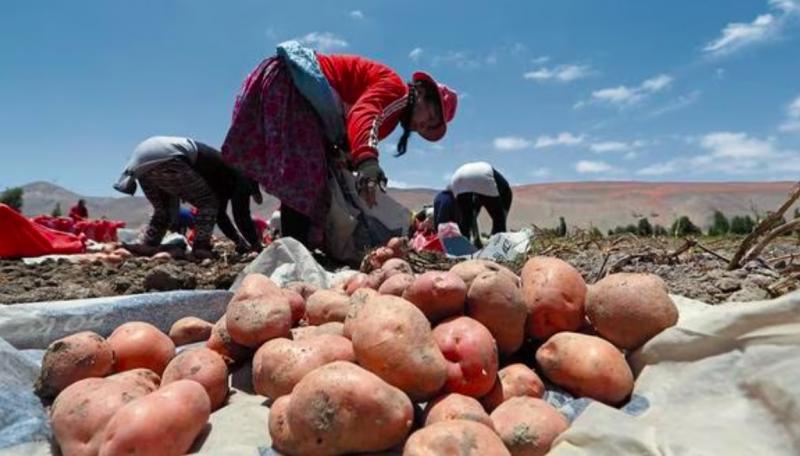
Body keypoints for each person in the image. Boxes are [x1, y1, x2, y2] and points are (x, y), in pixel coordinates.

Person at [221, 43, 458, 250]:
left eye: (429, 127)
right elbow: (364, 114)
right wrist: (367, 162)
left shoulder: (391, 117)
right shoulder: (397, 92)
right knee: (304, 178)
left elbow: (352, 132)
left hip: (288, 85)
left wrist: (349, 157)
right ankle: (295, 254)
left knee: (310, 178)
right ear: (422, 91)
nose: (423, 125)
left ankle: (296, 250)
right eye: (431, 114)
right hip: (292, 84)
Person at [113, 136, 264, 257]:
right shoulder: (242, 177)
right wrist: (255, 244)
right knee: (208, 203)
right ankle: (200, 247)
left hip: (140, 161)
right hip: (171, 158)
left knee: (164, 210)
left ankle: (149, 244)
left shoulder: (223, 177)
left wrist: (238, 241)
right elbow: (241, 214)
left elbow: (220, 216)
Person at [447, 162, 513, 248]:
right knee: (499, 219)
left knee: (465, 221)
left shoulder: (486, 191)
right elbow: (500, 217)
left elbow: (473, 211)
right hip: (482, 175)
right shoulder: (505, 192)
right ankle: (497, 248)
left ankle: (461, 250)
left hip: (457, 178)